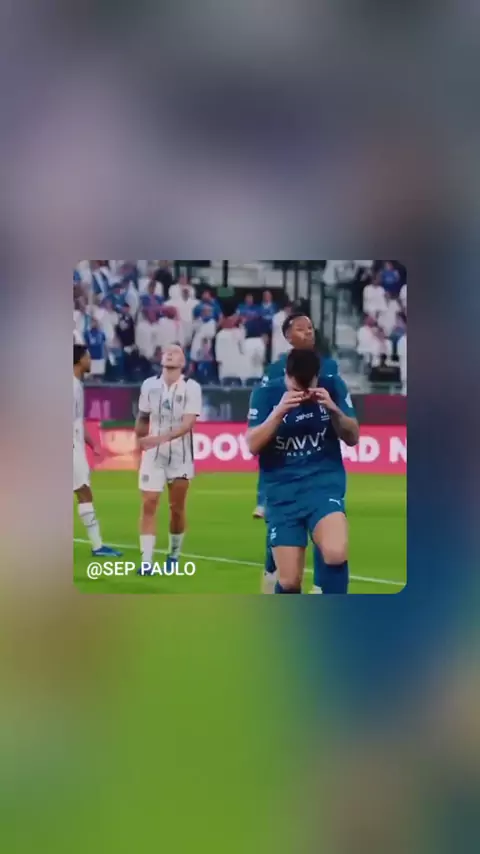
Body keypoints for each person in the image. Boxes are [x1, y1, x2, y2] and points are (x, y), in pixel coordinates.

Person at [247, 348, 359, 593]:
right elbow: (252, 445)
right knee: (289, 581)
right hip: (282, 492)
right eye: (297, 387)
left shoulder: (332, 386)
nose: (304, 393)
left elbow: (353, 437)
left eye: (309, 386)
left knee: (336, 552)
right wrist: (279, 412)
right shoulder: (265, 394)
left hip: (322, 485)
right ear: (286, 376)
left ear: (318, 376)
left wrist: (333, 409)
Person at [134, 344, 202, 574]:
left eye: (176, 351)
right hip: (153, 455)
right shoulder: (149, 385)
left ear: (183, 362)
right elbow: (143, 417)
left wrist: (159, 439)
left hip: (180, 456)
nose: (171, 353)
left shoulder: (192, 387)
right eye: (167, 351)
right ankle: (146, 562)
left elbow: (188, 424)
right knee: (149, 503)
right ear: (161, 359)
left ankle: (173, 554)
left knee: (177, 508)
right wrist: (139, 439)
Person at [73, 345, 122, 557]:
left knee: (82, 491)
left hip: (75, 445)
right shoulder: (71, 386)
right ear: (78, 360)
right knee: (84, 491)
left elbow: (77, 421)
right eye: (87, 357)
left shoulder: (76, 385)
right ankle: (98, 547)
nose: (90, 361)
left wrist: (93, 444)